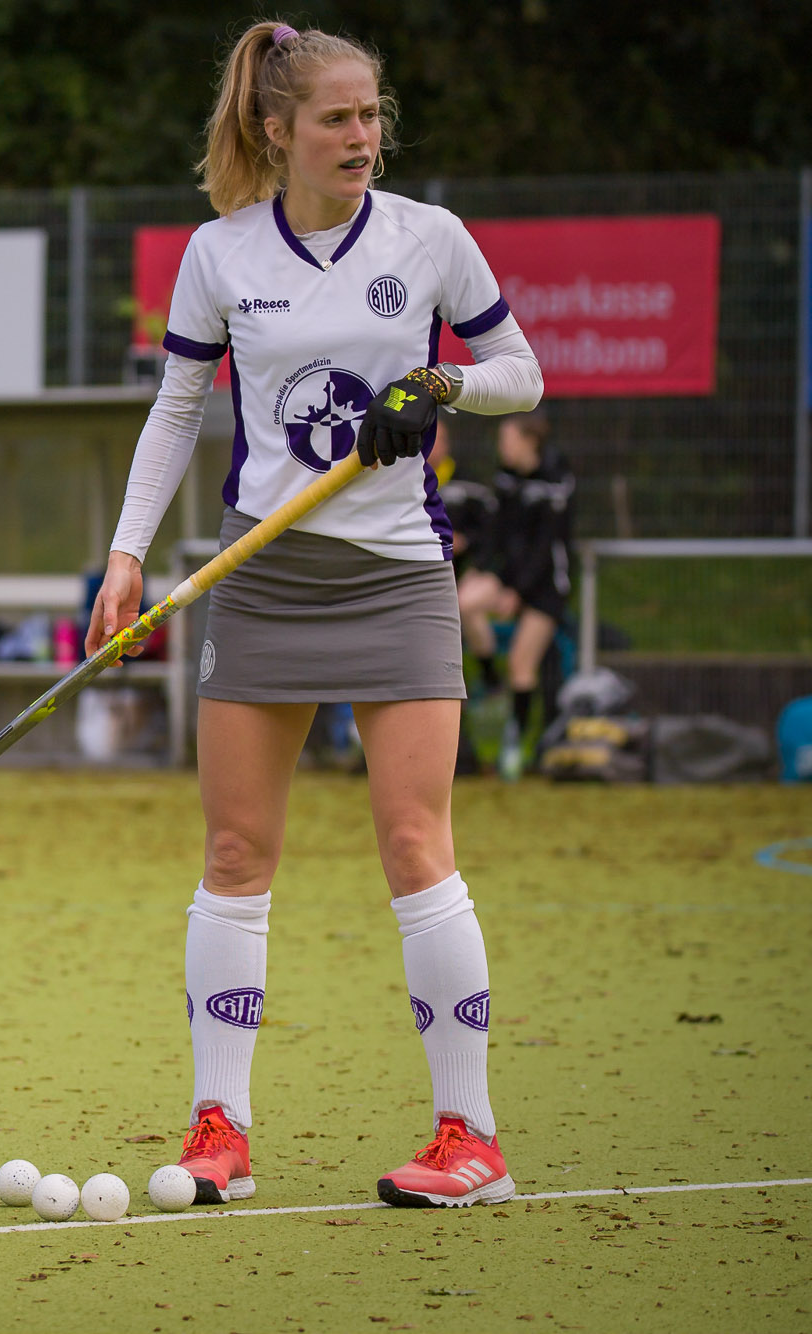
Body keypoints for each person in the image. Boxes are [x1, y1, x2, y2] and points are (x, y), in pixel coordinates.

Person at [86, 20, 543, 1209]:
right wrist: (125, 555)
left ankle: (470, 1136)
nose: (360, 135)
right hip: (263, 576)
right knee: (234, 853)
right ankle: (219, 1129)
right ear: (275, 127)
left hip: (396, 575)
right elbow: (175, 410)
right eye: (335, 118)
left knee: (414, 843)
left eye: (369, 114)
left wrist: (437, 382)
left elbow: (519, 372)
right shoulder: (218, 252)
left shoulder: (427, 237)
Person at [457, 410, 574, 756]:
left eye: (507, 440)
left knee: (522, 665)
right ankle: (491, 679)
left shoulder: (556, 480)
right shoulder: (506, 478)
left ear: (529, 441)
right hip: (509, 577)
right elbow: (495, 532)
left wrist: (518, 592)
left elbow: (545, 547)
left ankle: (516, 748)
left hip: (545, 585)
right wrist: (480, 568)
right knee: (463, 602)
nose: (502, 447)